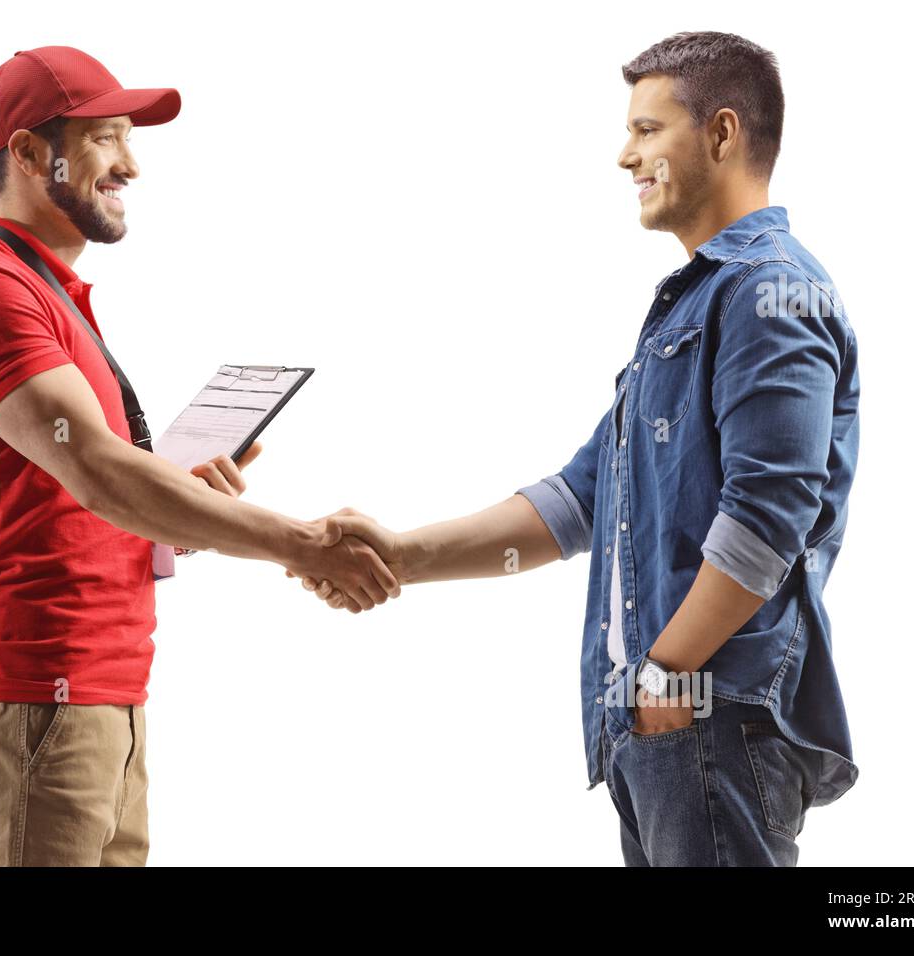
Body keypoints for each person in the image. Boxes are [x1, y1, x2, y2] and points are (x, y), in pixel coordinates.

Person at [296, 31, 860, 866]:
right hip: (665, 731)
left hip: (708, 717)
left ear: (722, 134)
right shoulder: (691, 306)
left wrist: (665, 675)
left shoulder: (769, 289)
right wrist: (401, 556)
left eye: (646, 130)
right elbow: (582, 499)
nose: (623, 155)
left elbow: (770, 517)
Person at [0, 46, 398, 866]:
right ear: (28, 153)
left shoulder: (50, 293)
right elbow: (98, 472)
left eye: (129, 138)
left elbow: (79, 492)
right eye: (103, 137)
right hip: (36, 698)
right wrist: (301, 543)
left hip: (104, 698)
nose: (130, 164)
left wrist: (177, 507)